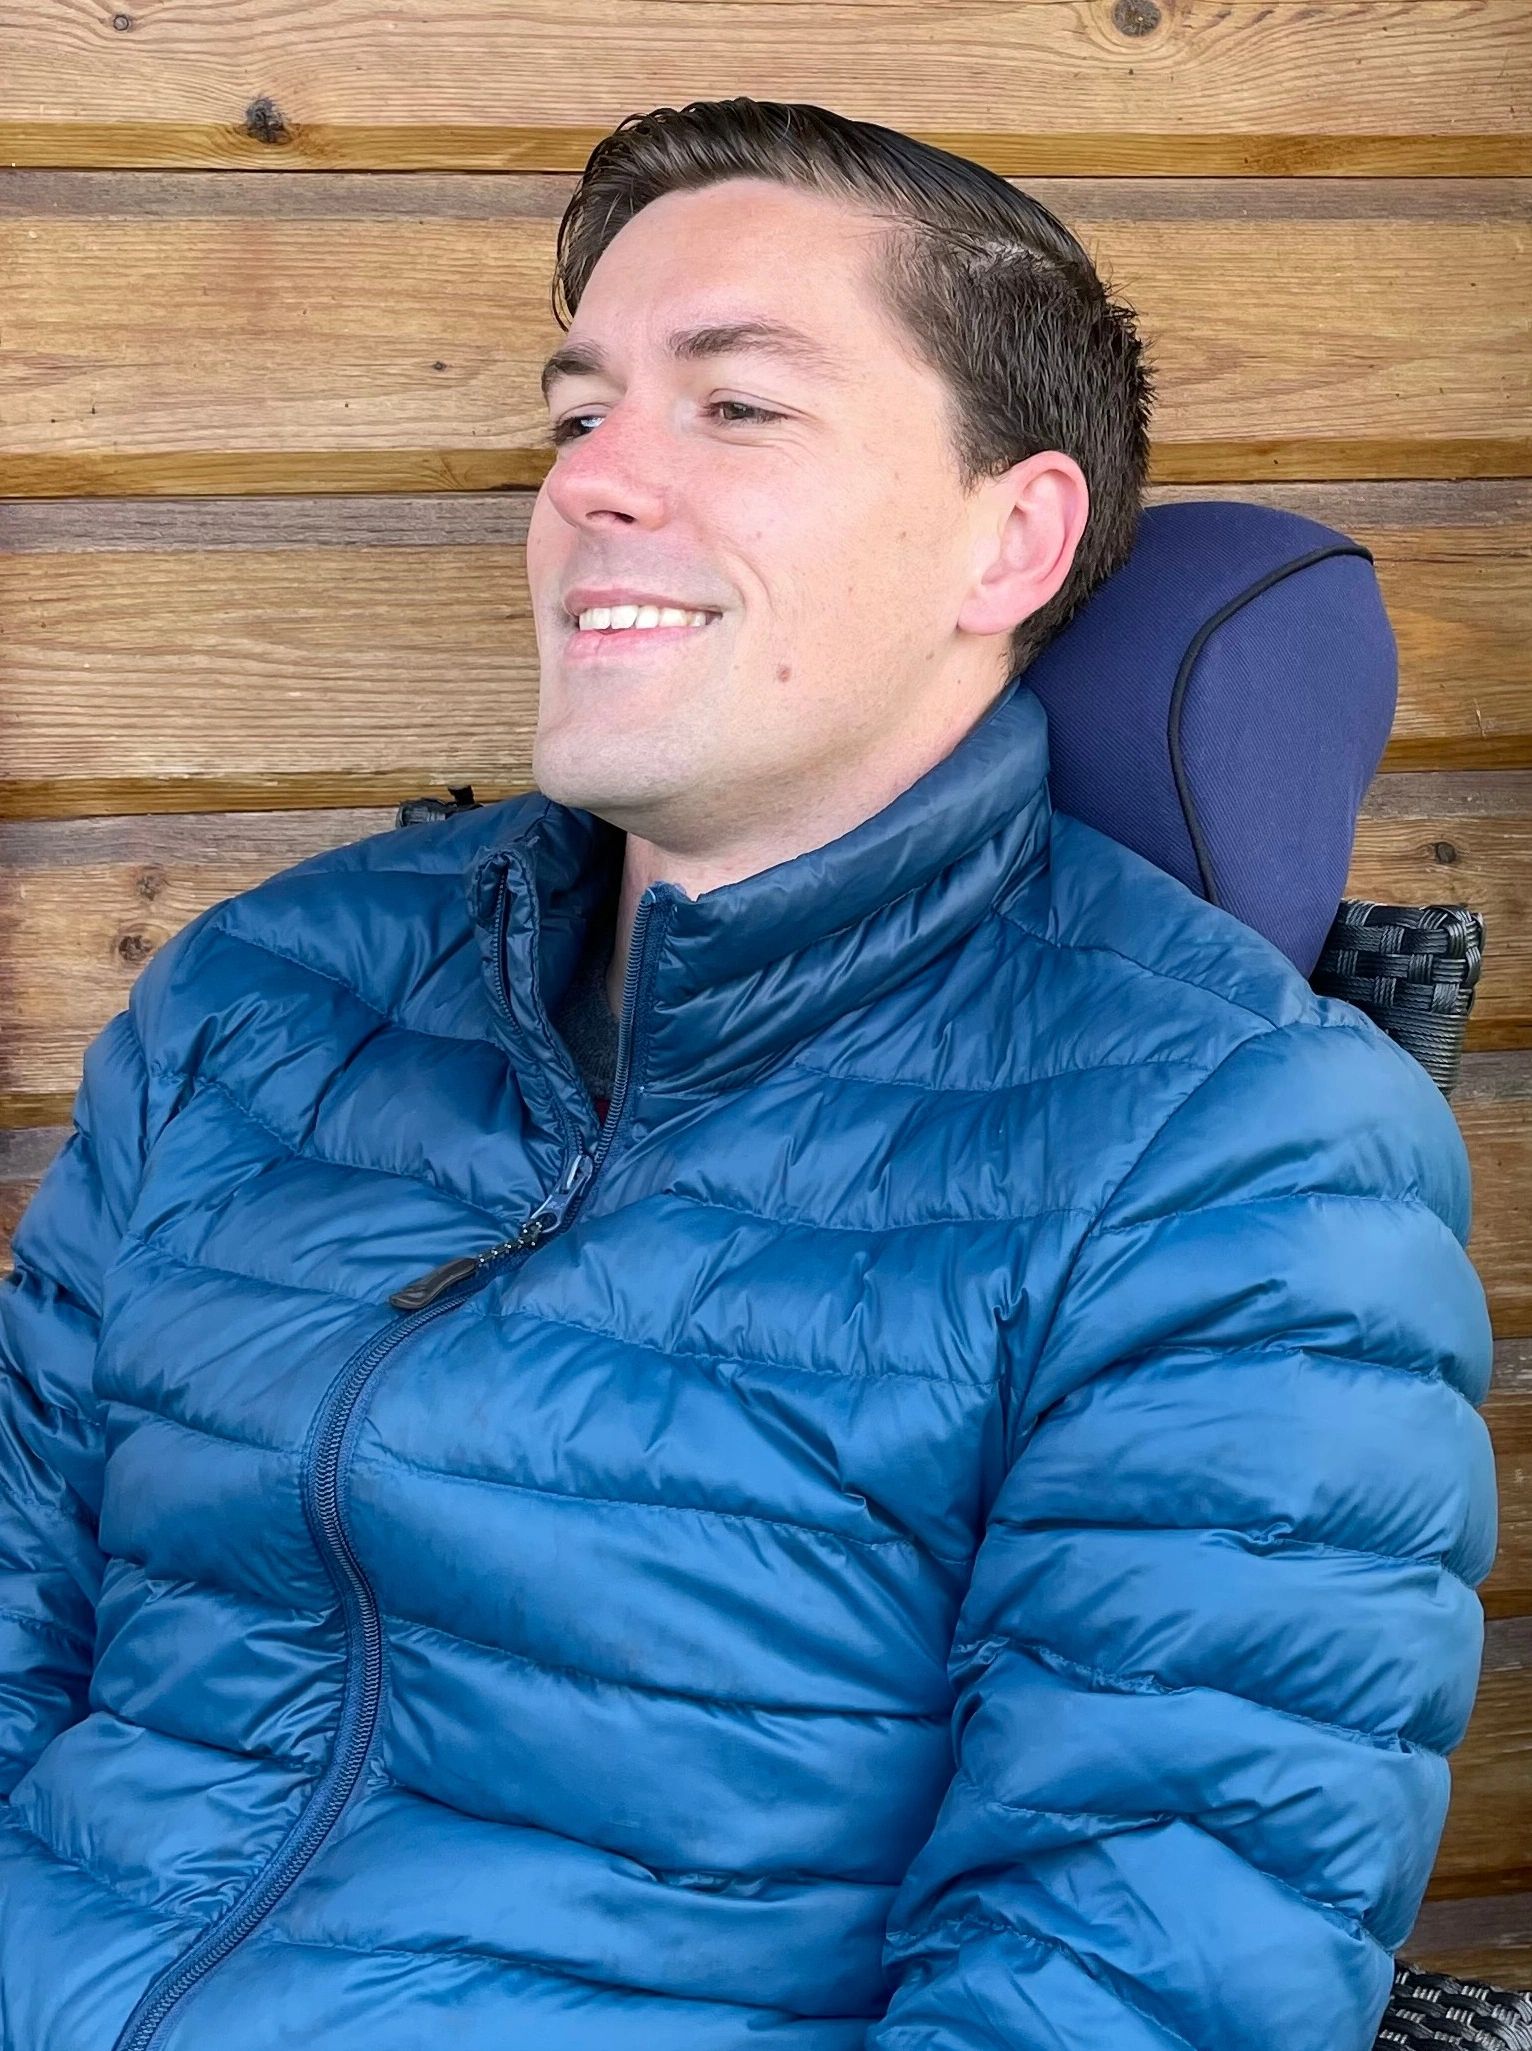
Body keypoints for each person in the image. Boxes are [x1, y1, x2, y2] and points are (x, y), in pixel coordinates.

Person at [0, 97, 1495, 2051]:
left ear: (1009, 537)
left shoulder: (1234, 1154)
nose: (595, 483)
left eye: (735, 409)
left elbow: (1132, 1984)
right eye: (576, 413)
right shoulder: (269, 997)